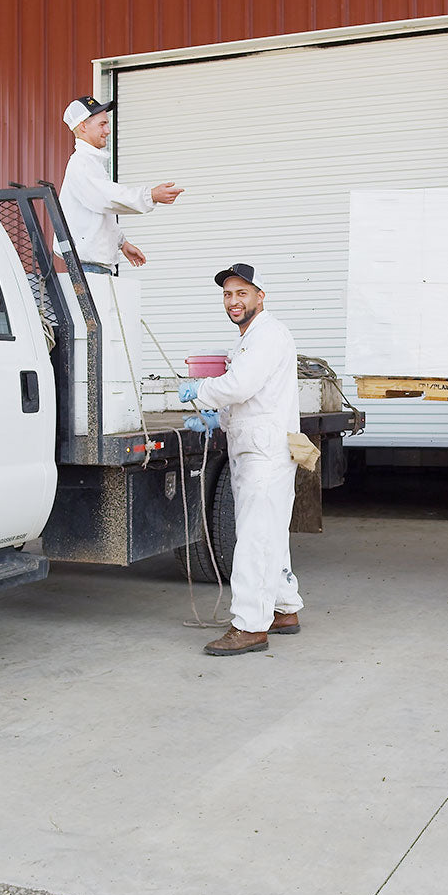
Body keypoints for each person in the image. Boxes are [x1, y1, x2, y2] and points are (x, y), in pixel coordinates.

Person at [178, 263, 303, 656]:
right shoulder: (250, 338)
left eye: (242, 293)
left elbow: (241, 385)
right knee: (269, 531)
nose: (234, 301)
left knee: (253, 536)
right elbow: (250, 395)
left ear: (260, 296)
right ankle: (283, 609)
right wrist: (219, 416)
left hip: (264, 451)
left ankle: (250, 626)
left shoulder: (267, 334)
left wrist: (203, 389)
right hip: (257, 445)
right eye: (228, 295)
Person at [56, 96, 183, 275]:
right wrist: (150, 195)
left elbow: (100, 215)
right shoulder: (81, 164)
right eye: (102, 124)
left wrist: (122, 243)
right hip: (89, 269)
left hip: (95, 267)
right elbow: (106, 198)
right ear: (83, 126)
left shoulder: (91, 163)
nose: (107, 130)